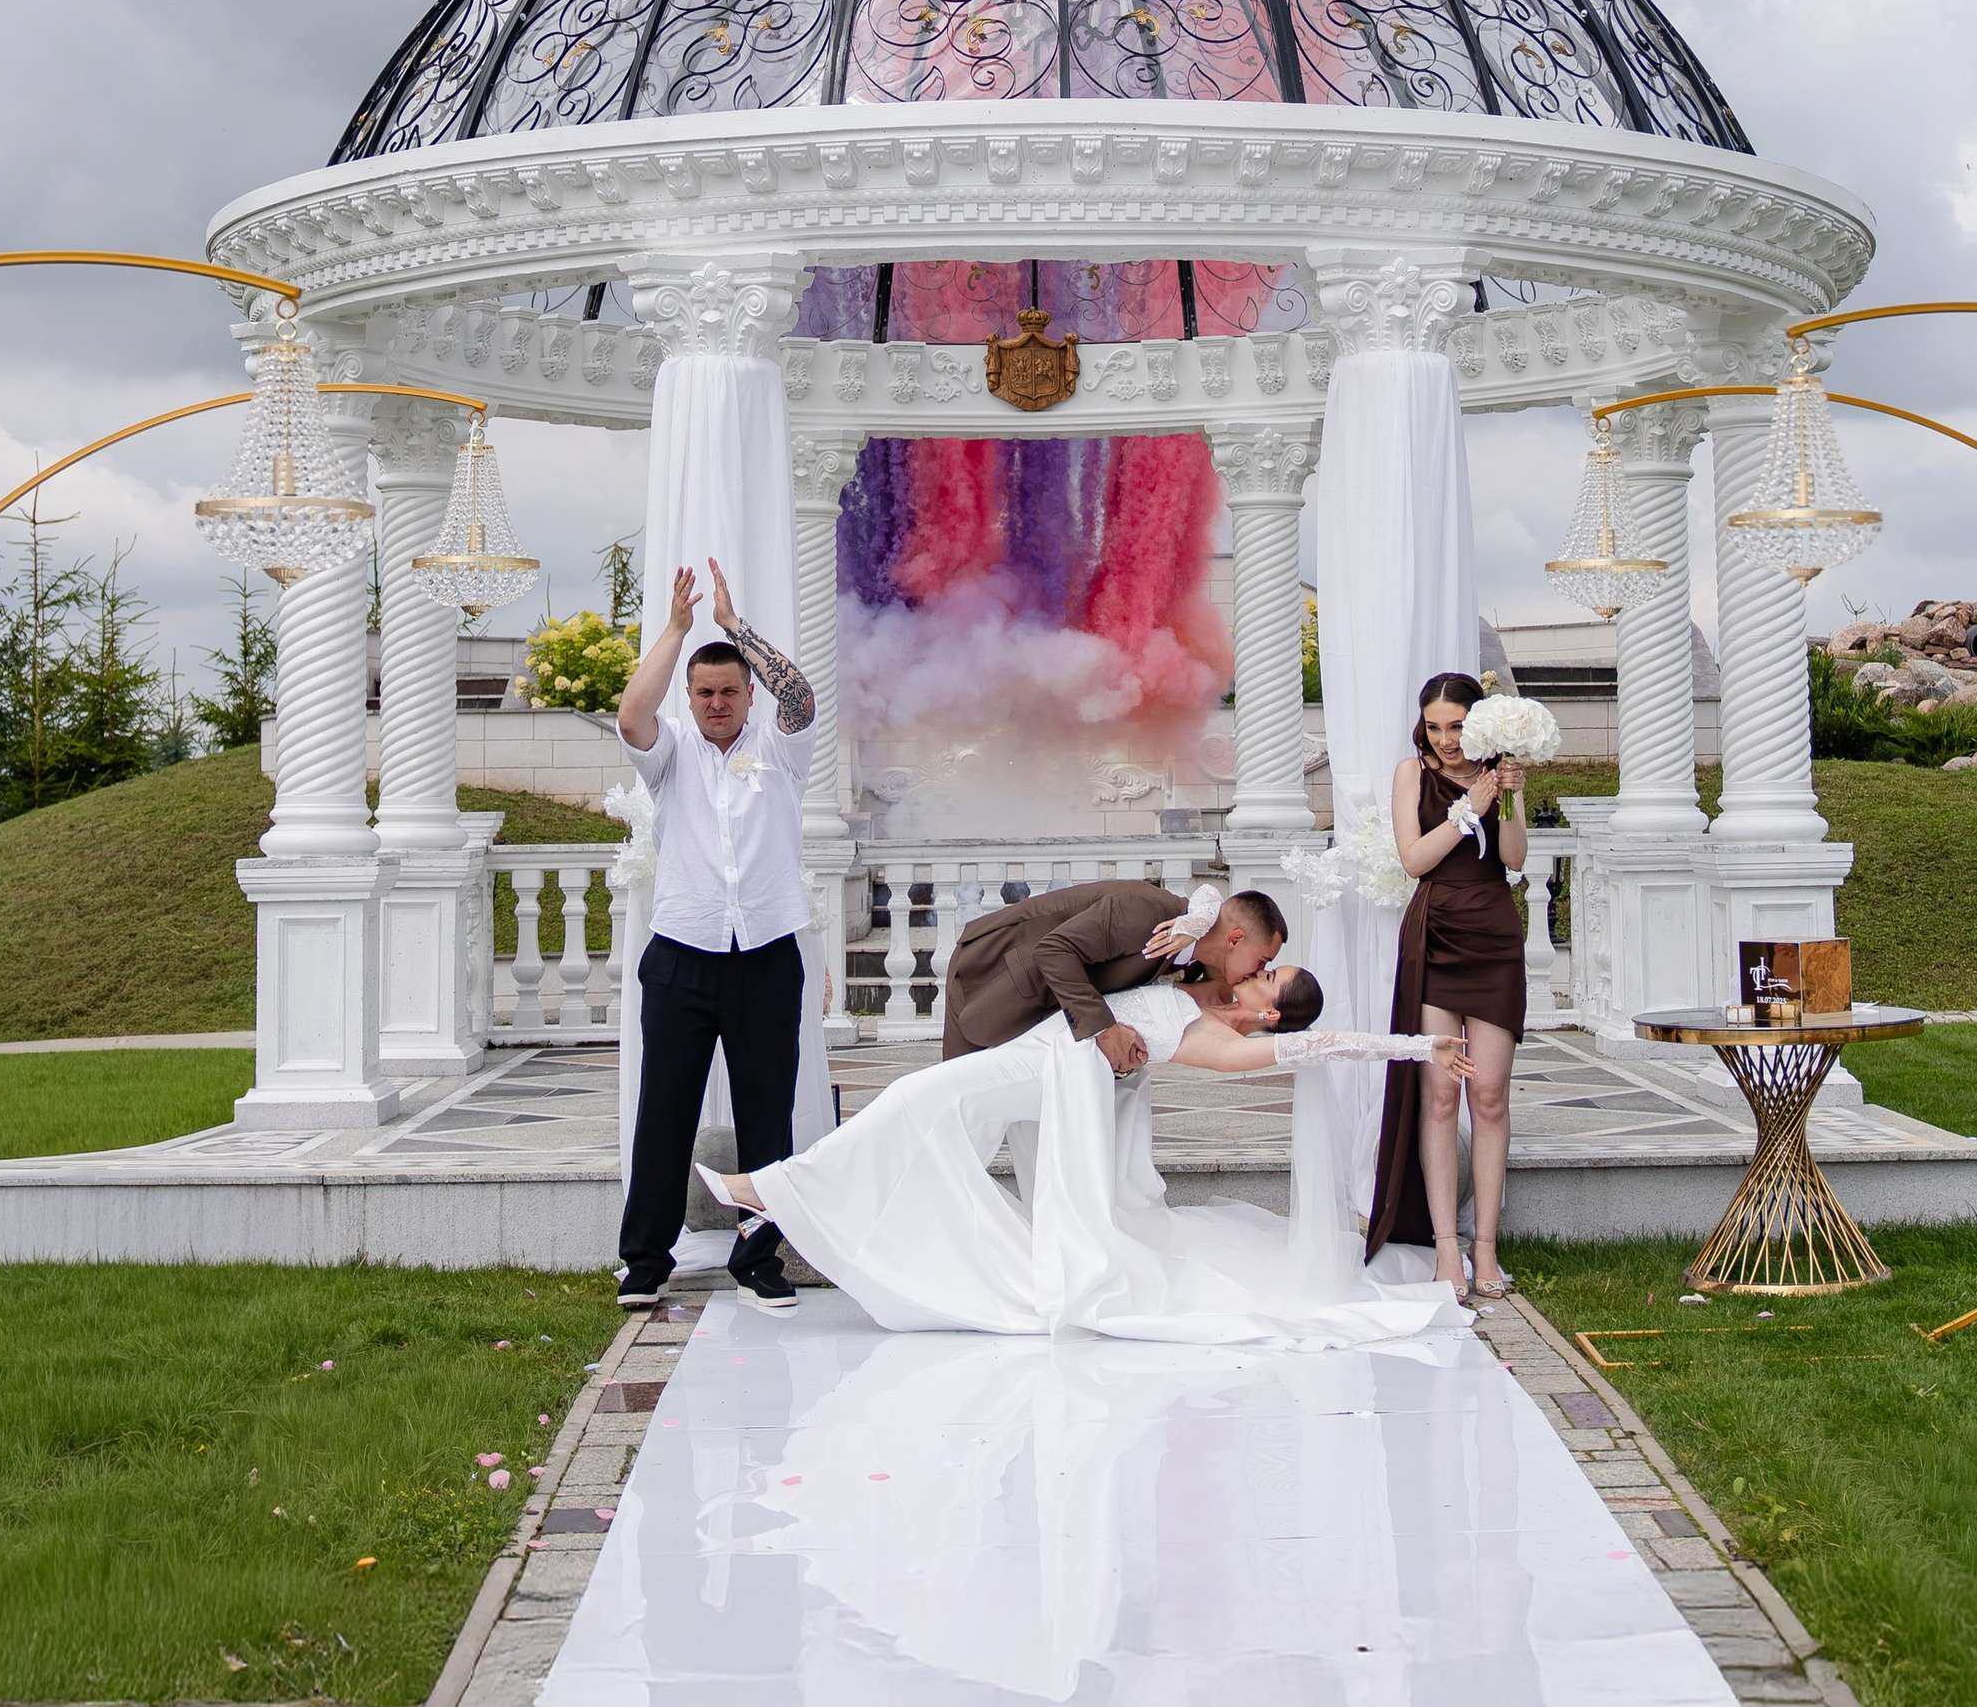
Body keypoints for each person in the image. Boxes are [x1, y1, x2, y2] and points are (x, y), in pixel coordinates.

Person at [708, 950, 1468, 1346]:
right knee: (916, 1118)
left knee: (911, 1102)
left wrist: (1414, 1045)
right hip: (1035, 1049)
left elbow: (1326, 1047)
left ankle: (767, 1191)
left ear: (1272, 1015)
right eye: (1269, 964)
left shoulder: (1222, 1044)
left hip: (1037, 1073)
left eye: (1272, 978)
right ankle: (787, 1199)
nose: (1260, 972)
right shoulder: (1202, 990)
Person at [612, 557, 815, 1313]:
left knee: (770, 1114)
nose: (718, 702)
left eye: (730, 691)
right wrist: (677, 630)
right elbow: (633, 714)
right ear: (690, 698)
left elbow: (799, 695)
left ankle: (759, 1258)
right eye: (705, 692)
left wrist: (734, 630)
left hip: (765, 956)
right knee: (665, 1108)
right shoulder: (668, 757)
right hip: (682, 957)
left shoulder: (781, 752)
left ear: (746, 694)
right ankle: (644, 1261)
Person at [1366, 669, 1528, 1300]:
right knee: (1438, 1095)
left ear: (1479, 723)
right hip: (1434, 934)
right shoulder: (1413, 773)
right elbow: (1413, 859)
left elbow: (1513, 859)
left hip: (1492, 933)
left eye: (1457, 726)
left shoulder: (1501, 774)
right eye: (1434, 727)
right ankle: (1445, 1253)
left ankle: (1485, 1249)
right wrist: (1470, 810)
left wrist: (1507, 797)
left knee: (1487, 1096)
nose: (1445, 740)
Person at [941, 875, 1286, 1072]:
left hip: (1041, 1017)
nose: (1261, 970)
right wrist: (1105, 1031)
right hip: (990, 975)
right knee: (953, 1111)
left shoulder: (1192, 958)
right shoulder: (1147, 911)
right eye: (1263, 961)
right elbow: (1054, 950)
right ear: (1235, 939)